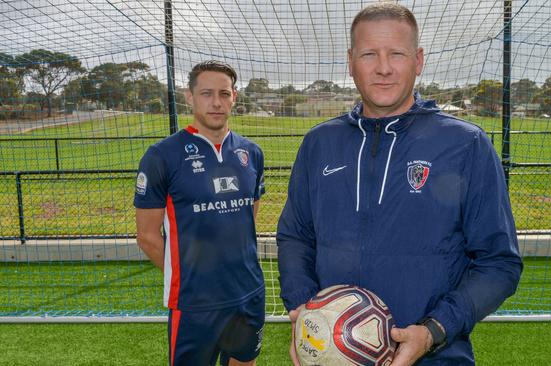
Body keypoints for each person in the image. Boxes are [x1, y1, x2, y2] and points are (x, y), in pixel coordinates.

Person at [276, 3, 523, 365]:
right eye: (369, 54)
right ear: (350, 61)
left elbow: (499, 264)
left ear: (418, 60)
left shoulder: (465, 145)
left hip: (437, 356)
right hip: (334, 356)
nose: (383, 68)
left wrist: (433, 330)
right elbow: (296, 236)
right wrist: (305, 312)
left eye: (397, 54)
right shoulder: (319, 143)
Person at [134, 60, 266, 366]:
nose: (216, 102)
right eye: (206, 93)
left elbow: (247, 220)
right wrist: (192, 278)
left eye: (224, 93)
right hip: (195, 303)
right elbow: (148, 237)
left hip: (248, 294)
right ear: (189, 97)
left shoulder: (252, 153)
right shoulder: (161, 156)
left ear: (235, 96)